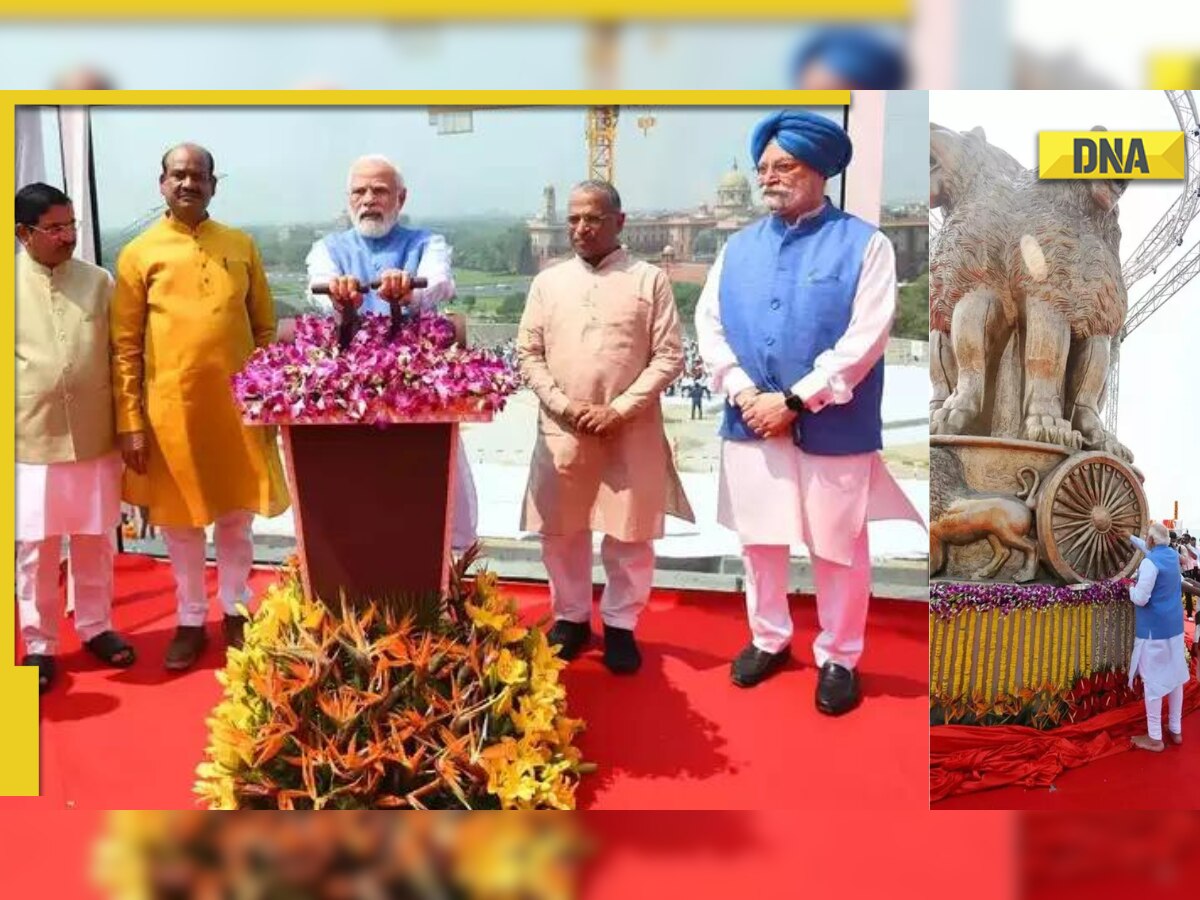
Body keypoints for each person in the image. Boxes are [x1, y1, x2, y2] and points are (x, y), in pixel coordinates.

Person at [695, 110, 925, 713]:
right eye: (763, 168)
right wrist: (747, 393)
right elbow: (710, 326)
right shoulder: (737, 248)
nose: (769, 177)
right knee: (761, 542)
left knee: (837, 546)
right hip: (751, 422)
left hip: (833, 423)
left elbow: (867, 336)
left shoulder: (865, 245)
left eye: (783, 166)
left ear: (819, 170)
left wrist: (797, 400)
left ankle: (840, 656)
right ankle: (768, 638)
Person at [111, 143, 289, 671]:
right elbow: (125, 346)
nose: (189, 183)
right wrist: (130, 422)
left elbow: (264, 329)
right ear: (162, 183)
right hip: (172, 414)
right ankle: (190, 619)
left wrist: (270, 397)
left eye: (199, 175)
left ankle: (235, 609)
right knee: (182, 525)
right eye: (178, 175)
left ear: (215, 184)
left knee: (235, 518)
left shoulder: (240, 244)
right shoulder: (139, 253)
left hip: (237, 409)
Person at [518, 180, 694, 674]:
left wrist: (619, 408)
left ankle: (621, 625)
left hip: (630, 428)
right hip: (564, 428)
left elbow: (669, 356)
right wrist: (563, 404)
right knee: (561, 530)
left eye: (592, 218)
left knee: (630, 533)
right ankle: (571, 618)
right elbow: (528, 353)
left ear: (620, 221)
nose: (580, 228)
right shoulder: (548, 283)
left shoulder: (648, 280)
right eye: (573, 219)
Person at [301, 154, 479, 552]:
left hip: (418, 391)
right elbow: (320, 286)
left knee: (442, 492)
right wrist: (339, 295)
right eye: (359, 191)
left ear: (401, 197)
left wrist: (408, 291)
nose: (369, 199)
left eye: (379, 190)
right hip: (350, 395)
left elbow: (438, 283)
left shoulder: (426, 243)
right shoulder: (328, 248)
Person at [15, 183, 134, 692]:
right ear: (23, 234)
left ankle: (95, 626)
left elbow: (122, 357)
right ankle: (39, 644)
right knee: (35, 549)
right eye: (55, 228)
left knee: (93, 539)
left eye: (71, 226)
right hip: (27, 440)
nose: (67, 237)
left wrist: (131, 427)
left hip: (94, 435)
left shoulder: (99, 281)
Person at [1124, 523, 1190, 752]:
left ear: (1151, 541)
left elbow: (1141, 598)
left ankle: (1154, 737)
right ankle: (1175, 728)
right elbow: (1150, 548)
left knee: (1152, 681)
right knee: (1175, 679)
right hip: (1174, 629)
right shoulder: (1171, 555)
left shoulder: (1149, 563)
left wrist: (1129, 588)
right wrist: (1130, 537)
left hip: (1154, 632)